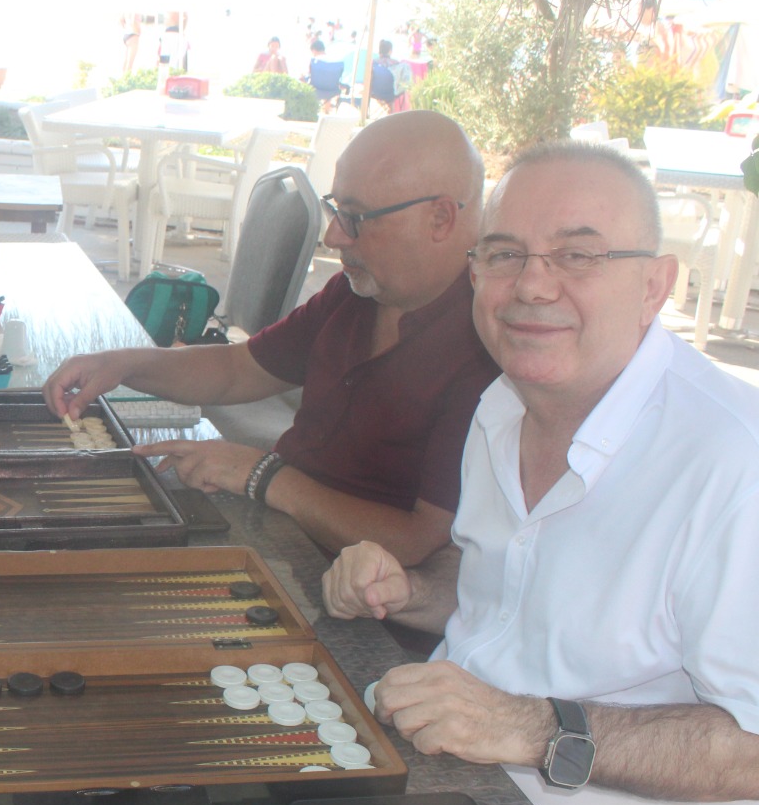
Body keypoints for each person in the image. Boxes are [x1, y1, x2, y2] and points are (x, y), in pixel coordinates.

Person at [323, 141, 759, 805]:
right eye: (504, 254)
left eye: (578, 256)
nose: (532, 285)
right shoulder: (503, 403)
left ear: (655, 285)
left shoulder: (735, 462)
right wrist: (410, 590)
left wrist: (528, 727)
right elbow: (505, 587)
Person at [44, 110, 497, 568]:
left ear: (440, 218)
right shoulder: (359, 289)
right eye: (335, 209)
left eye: (355, 217)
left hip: (348, 584)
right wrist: (123, 364)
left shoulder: (490, 347)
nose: (333, 236)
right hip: (276, 528)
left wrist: (264, 476)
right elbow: (239, 369)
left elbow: (421, 543)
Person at [369, 37, 400, 112]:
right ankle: (392, 114)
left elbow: (370, 78)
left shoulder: (374, 62)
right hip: (390, 94)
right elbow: (398, 80)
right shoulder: (396, 63)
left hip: (375, 92)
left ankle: (367, 112)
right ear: (390, 51)